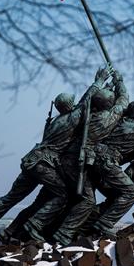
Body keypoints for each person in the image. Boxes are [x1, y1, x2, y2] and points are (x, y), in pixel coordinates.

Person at [0, 67, 110, 245]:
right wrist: (99, 81)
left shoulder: (55, 122)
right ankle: (34, 226)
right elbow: (86, 102)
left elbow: (83, 104)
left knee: (11, 197)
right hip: (43, 164)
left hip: (31, 160)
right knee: (62, 194)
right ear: (69, 106)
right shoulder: (70, 119)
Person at [51, 70, 129, 245]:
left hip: (67, 160)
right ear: (109, 105)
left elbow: (84, 101)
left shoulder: (82, 115)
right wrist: (120, 82)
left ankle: (64, 231)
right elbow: (124, 100)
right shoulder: (108, 117)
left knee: (80, 198)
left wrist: (100, 83)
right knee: (87, 200)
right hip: (77, 162)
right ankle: (63, 234)